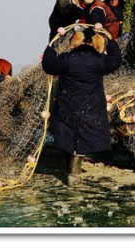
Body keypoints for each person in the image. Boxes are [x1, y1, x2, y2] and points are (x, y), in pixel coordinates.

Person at [42, 27, 122, 186]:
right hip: (90, 108)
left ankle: (71, 169)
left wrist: (50, 48)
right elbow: (116, 61)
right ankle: (74, 170)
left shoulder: (66, 58)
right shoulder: (99, 60)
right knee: (83, 137)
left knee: (67, 136)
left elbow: (48, 66)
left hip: (67, 107)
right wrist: (112, 42)